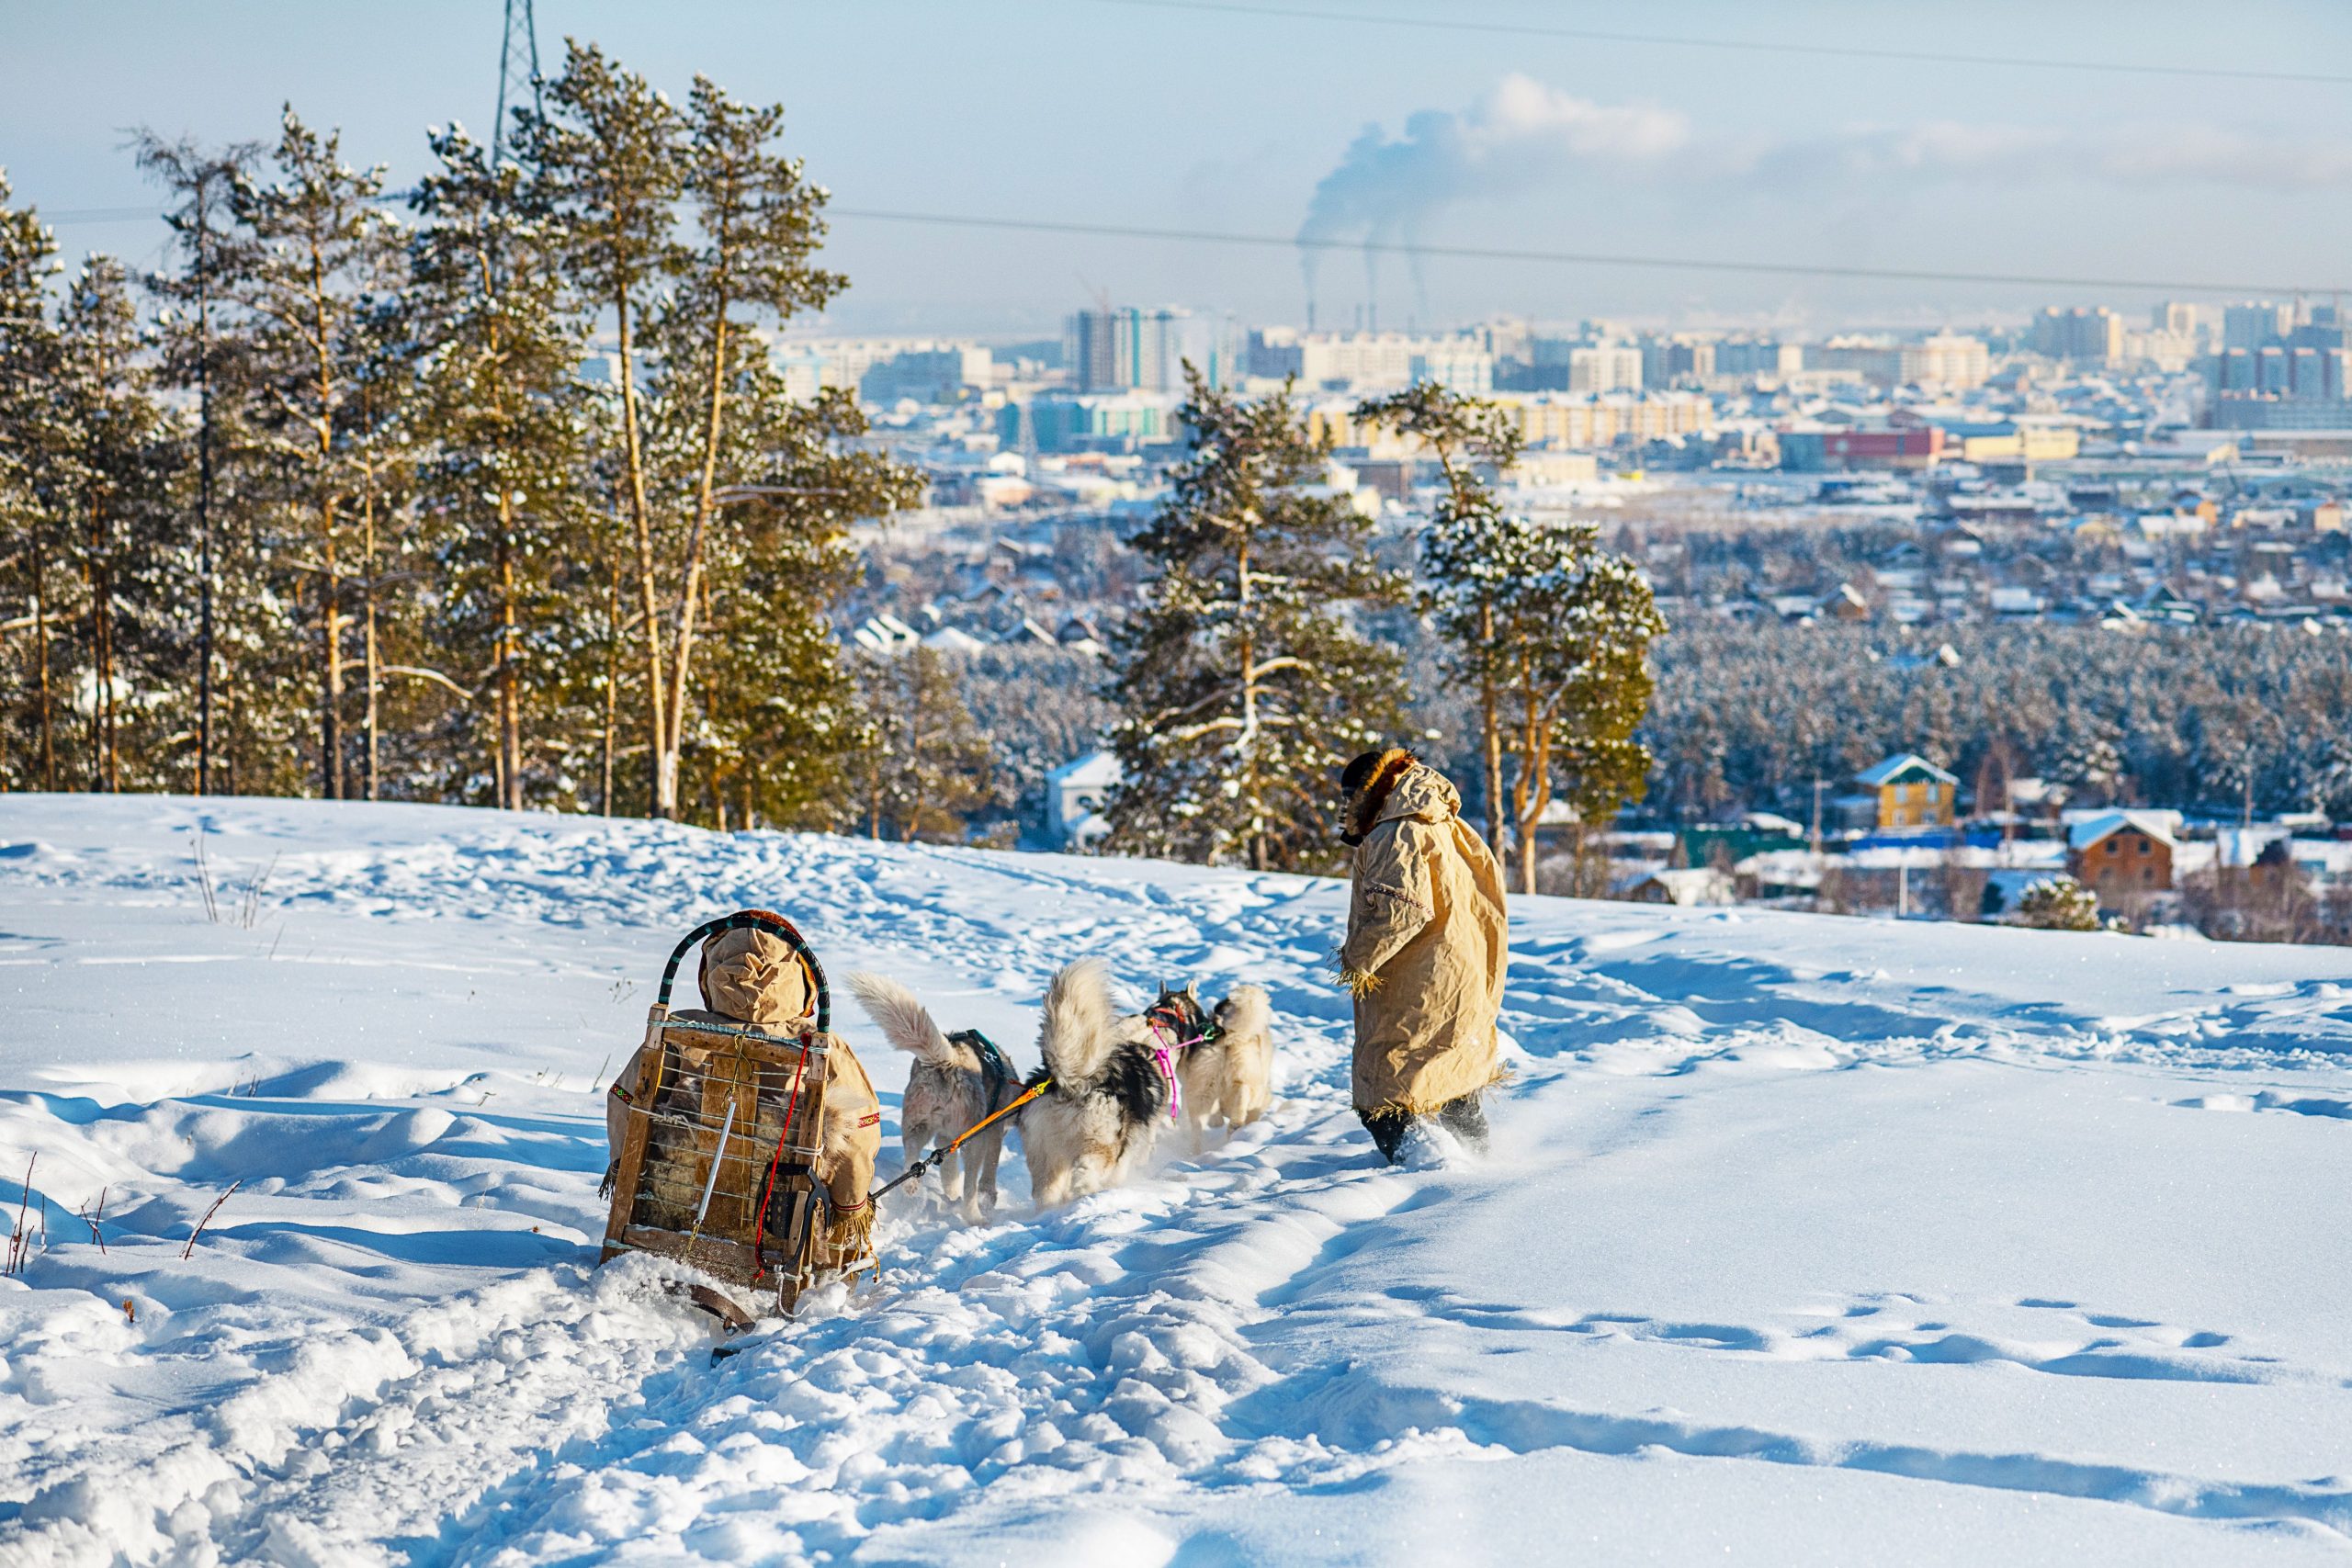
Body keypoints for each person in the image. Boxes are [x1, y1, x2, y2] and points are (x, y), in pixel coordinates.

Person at [605, 925, 881, 1263]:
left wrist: (626, 1171)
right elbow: (857, 1135)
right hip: (776, 1217)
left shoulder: (679, 1030)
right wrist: (849, 1206)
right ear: (798, 978)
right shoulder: (821, 1044)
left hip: (672, 1204)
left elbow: (625, 1101)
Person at [1334, 747, 1509, 1162]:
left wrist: (1356, 959)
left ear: (1366, 793)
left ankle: (1432, 1173)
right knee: (1449, 1081)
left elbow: (1403, 910)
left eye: (1347, 798)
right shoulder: (1443, 821)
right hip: (1457, 971)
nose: (1343, 808)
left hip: (1420, 982)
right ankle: (1482, 1165)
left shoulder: (1396, 832)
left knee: (1384, 1096)